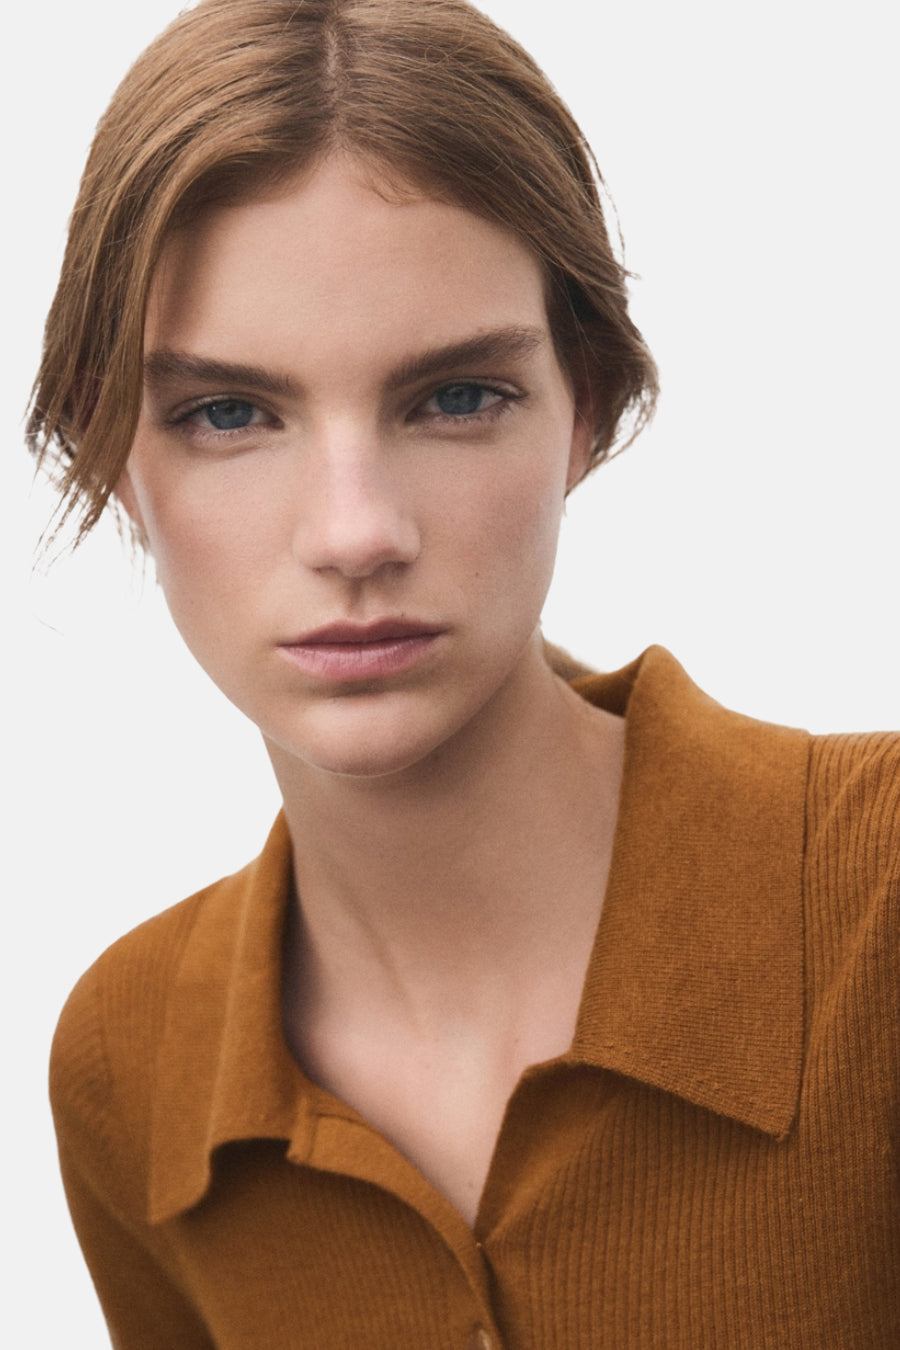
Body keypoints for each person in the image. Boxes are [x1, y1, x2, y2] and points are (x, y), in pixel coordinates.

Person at [30, 0, 900, 1345]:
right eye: (229, 413)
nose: (355, 532)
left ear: (587, 405)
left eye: (453, 398)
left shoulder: (876, 894)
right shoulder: (125, 1066)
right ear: (112, 454)